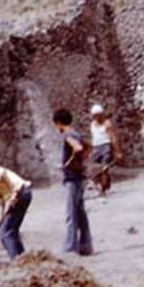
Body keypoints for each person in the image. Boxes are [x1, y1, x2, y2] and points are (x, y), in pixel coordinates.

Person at [54, 108, 93, 256]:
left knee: (71, 212)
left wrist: (67, 164)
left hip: (71, 177)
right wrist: (82, 161)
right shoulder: (76, 133)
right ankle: (86, 245)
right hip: (80, 175)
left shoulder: (67, 135)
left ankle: (71, 246)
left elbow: (78, 148)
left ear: (58, 122)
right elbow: (88, 146)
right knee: (80, 211)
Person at [89, 104, 123, 195]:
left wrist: (117, 151)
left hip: (105, 146)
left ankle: (103, 189)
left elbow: (113, 138)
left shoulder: (107, 123)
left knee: (104, 168)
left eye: (98, 115)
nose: (96, 117)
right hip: (96, 147)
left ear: (102, 114)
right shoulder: (92, 124)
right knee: (96, 169)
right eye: (95, 115)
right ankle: (103, 184)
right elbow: (93, 137)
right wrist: (90, 149)